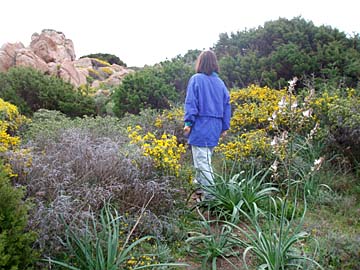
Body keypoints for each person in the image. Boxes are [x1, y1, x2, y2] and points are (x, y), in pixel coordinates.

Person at [183, 50, 231, 199]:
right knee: (204, 159)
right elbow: (227, 105)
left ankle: (213, 199)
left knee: (202, 163)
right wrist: (224, 126)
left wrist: (188, 122)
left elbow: (191, 102)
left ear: (200, 63)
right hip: (215, 126)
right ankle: (198, 191)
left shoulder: (196, 79)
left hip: (201, 125)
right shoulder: (220, 83)